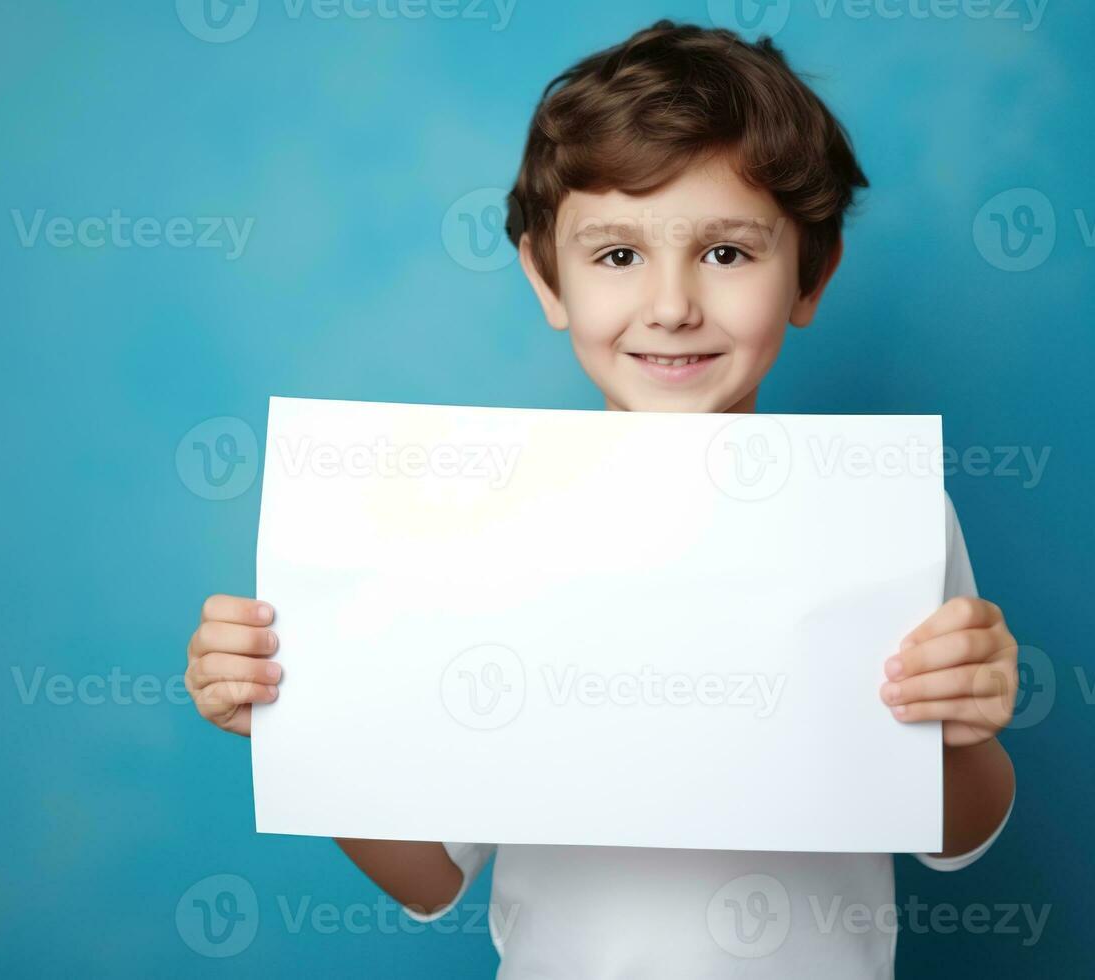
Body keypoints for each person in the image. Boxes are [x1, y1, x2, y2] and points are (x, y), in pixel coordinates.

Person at [184, 19, 1018, 977]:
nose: (670, 305)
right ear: (548, 278)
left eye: (728, 253)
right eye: (617, 256)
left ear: (811, 273)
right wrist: (301, 715)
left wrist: (962, 728)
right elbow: (430, 879)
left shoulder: (884, 521)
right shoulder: (485, 527)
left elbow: (958, 834)